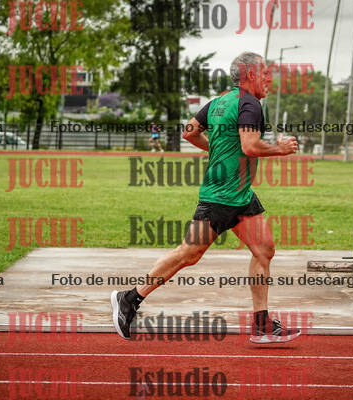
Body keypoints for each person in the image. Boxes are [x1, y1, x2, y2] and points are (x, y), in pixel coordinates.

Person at [112, 52, 300, 343]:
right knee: (188, 254)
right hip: (219, 198)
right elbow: (250, 146)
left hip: (241, 197)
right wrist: (281, 149)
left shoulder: (218, 102)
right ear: (250, 75)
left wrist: (219, 149)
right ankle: (129, 298)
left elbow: (189, 132)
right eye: (265, 72)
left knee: (264, 250)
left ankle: (261, 323)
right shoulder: (250, 104)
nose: (269, 78)